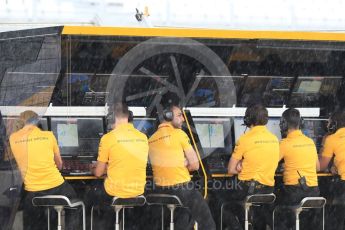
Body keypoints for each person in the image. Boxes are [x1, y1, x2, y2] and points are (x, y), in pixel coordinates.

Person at [148, 104, 216, 230]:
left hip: (159, 190)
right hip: (181, 189)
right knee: (207, 222)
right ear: (168, 116)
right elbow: (195, 165)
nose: (183, 119)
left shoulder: (151, 139)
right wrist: (184, 162)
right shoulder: (179, 134)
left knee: (184, 215)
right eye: (179, 115)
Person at [9, 110, 79, 230]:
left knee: (31, 208)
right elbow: (60, 165)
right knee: (75, 202)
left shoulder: (13, 138)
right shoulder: (48, 135)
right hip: (56, 187)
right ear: (36, 121)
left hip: (33, 191)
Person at [90, 103, 149, 229]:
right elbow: (129, 161)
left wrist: (94, 168)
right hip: (138, 192)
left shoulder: (108, 138)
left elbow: (98, 173)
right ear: (129, 117)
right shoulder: (143, 137)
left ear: (112, 118)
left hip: (115, 192)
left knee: (89, 195)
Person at [225, 104, 279, 229]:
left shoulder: (244, 139)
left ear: (247, 120)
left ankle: (238, 226)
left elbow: (231, 170)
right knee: (259, 210)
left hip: (247, 190)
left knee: (220, 201)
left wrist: (240, 165)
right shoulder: (275, 139)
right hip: (268, 191)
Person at [276, 108, 320, 229]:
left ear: (283, 124)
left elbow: (270, 165)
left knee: (273, 209)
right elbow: (318, 167)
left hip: (294, 193)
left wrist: (283, 166)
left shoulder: (284, 143)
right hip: (314, 193)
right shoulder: (310, 142)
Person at [320, 109, 345, 230]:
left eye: (329, 122)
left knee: (335, 217)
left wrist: (324, 143)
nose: (327, 125)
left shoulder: (332, 139)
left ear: (334, 124)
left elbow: (321, 166)